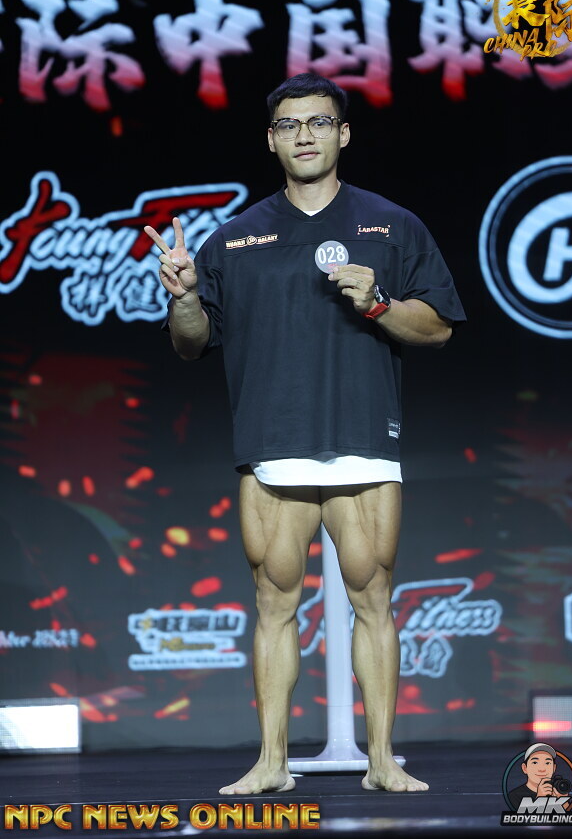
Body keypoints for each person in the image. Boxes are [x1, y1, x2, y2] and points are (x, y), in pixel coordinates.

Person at [145, 72, 466, 795]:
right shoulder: (235, 238)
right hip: (272, 444)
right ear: (271, 140)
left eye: (319, 122)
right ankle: (271, 764)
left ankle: (383, 761)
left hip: (363, 438)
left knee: (373, 598)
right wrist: (185, 296)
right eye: (289, 125)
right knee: (273, 602)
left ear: (343, 133)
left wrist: (379, 303)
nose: (305, 135)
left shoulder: (392, 225)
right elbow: (192, 343)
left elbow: (439, 328)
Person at [507, 743, 570, 810]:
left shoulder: (557, 790)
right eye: (535, 762)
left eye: (547, 763)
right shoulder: (514, 796)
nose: (542, 769)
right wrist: (539, 799)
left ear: (554, 768)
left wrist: (563, 801)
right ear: (525, 768)